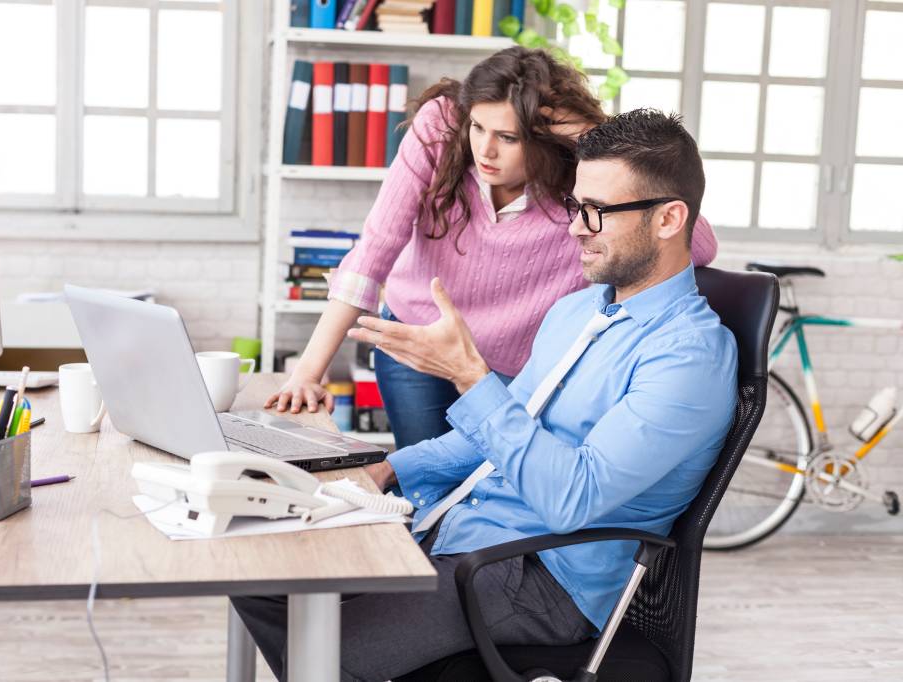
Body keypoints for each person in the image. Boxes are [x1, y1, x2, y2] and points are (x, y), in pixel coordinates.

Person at [234, 109, 738, 682]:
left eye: (596, 213)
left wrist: (472, 379)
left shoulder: (689, 357)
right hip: (463, 531)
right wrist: (386, 470)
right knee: (255, 569)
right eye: (576, 208)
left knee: (324, 651)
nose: (575, 228)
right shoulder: (578, 310)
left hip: (541, 574)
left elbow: (574, 499)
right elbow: (496, 435)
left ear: (670, 218)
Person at [265, 46, 720, 450]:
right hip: (419, 345)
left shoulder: (579, 178)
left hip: (511, 369)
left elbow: (697, 244)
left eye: (508, 137)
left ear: (545, 136)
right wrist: (308, 371)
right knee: (423, 485)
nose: (485, 150)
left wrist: (590, 133)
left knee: (488, 488)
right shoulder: (441, 128)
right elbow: (374, 251)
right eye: (478, 127)